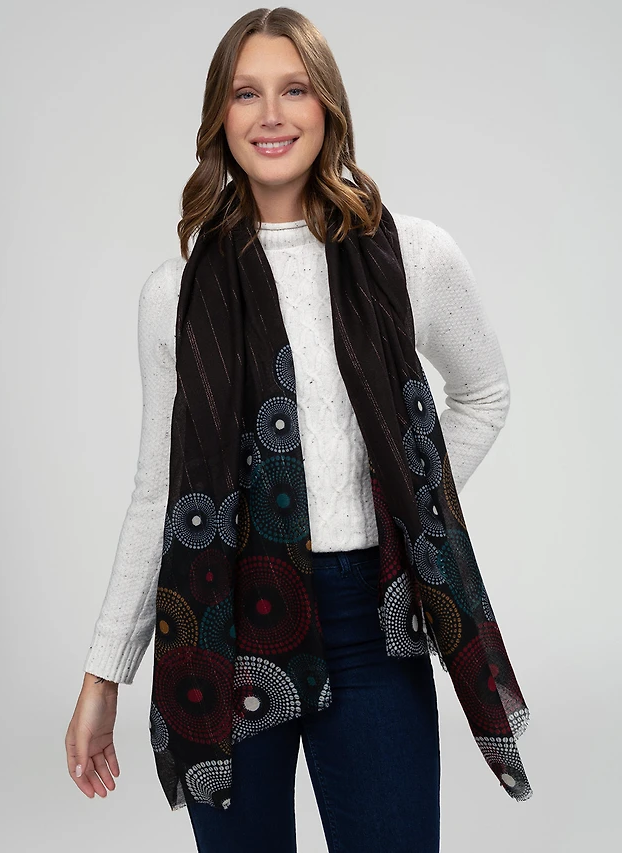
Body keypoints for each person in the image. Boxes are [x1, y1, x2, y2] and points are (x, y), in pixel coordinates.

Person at [65, 7, 514, 852]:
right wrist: (104, 672)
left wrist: (404, 503)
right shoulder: (175, 294)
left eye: (294, 89)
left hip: (369, 620)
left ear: (328, 105)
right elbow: (160, 495)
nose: (271, 115)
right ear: (220, 117)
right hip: (223, 619)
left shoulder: (413, 256)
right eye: (246, 93)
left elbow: (484, 392)